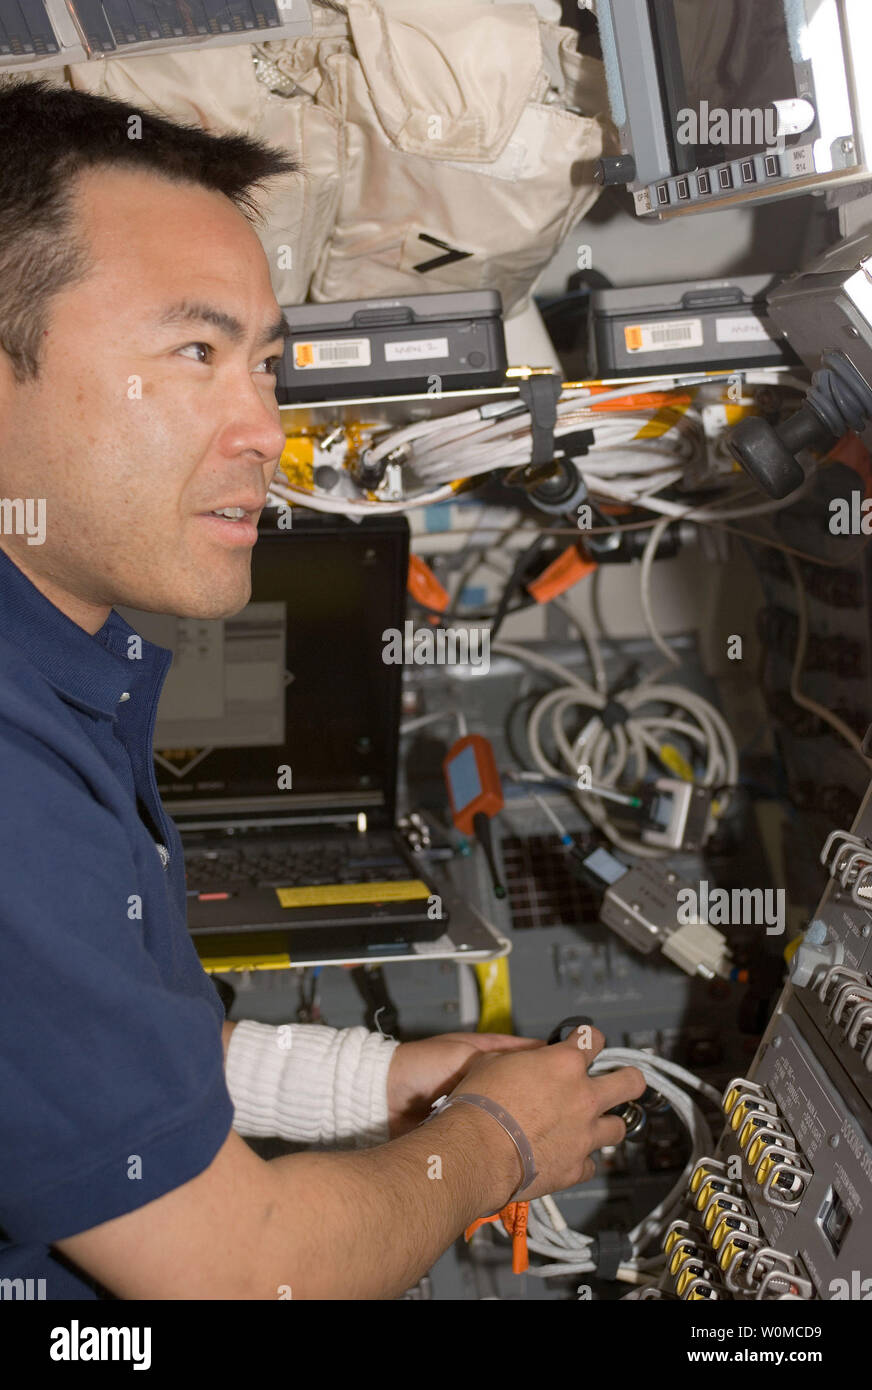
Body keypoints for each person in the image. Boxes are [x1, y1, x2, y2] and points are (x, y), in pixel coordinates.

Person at [0, 77, 644, 1300]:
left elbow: (78, 1063)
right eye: (195, 352)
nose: (266, 430)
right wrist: (492, 1146)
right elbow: (238, 1276)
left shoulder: (45, 670)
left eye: (266, 367)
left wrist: (370, 1086)